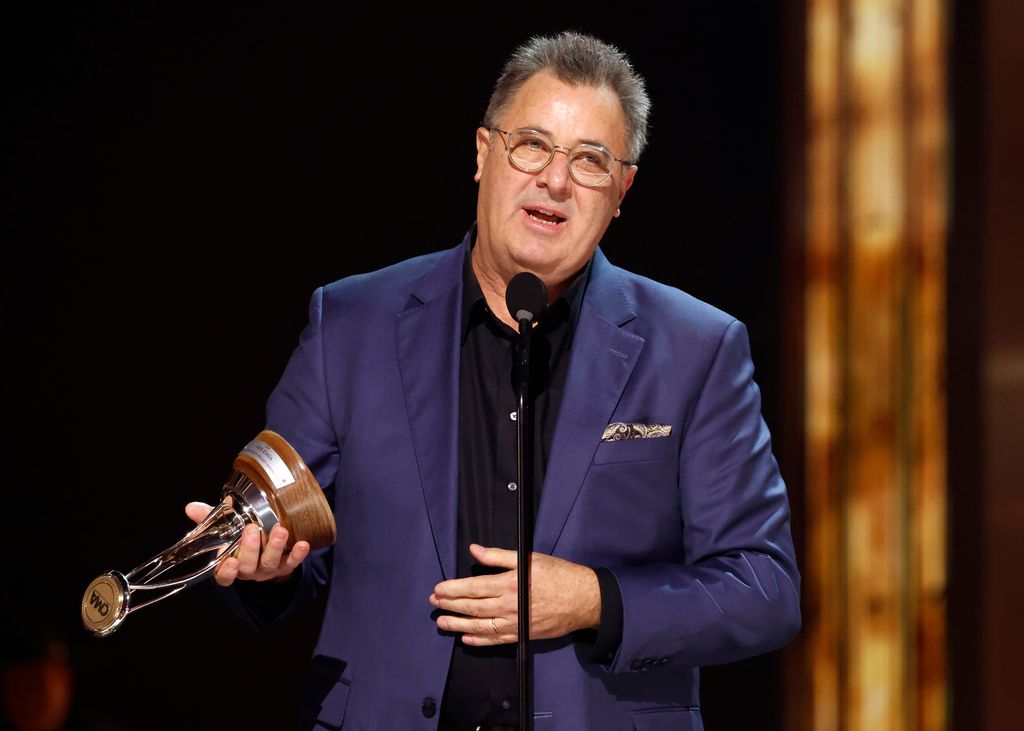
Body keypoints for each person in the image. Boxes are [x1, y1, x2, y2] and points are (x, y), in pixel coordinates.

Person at [187, 31, 800, 730]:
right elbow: (297, 546)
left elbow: (763, 587)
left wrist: (598, 599)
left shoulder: (696, 347)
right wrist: (271, 566)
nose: (556, 181)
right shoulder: (352, 323)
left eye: (591, 160)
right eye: (532, 145)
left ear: (622, 191)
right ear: (483, 155)